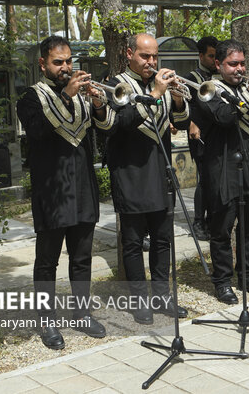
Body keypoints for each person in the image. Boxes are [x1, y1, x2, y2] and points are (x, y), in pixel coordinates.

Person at [17, 35, 107, 349]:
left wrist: (97, 103)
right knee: (47, 262)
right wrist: (67, 96)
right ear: (43, 64)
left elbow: (104, 131)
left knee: (82, 257)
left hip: (83, 186)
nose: (65, 67)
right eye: (58, 62)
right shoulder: (30, 97)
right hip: (52, 189)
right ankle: (46, 322)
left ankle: (81, 314)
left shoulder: (81, 93)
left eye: (69, 61)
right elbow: (38, 132)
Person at [101, 33, 190, 324]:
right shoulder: (114, 85)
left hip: (161, 171)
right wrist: (154, 94)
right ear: (129, 54)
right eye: (144, 56)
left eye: (154, 57)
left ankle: (162, 296)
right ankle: (139, 301)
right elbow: (121, 124)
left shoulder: (161, 84)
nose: (151, 62)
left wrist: (176, 98)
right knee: (133, 242)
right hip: (130, 173)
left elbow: (180, 123)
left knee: (163, 239)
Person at [196, 39, 249, 304]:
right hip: (223, 169)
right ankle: (222, 282)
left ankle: (248, 275)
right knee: (221, 229)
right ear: (219, 64)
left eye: (242, 63)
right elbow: (226, 117)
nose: (239, 69)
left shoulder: (246, 90)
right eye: (233, 64)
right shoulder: (208, 90)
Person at [185, 36, 218, 241]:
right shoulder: (191, 78)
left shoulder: (219, 75)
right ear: (200, 56)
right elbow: (185, 107)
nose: (215, 60)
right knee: (204, 177)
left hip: (217, 133)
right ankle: (199, 221)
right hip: (199, 135)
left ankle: (214, 218)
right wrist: (190, 123)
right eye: (211, 56)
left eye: (217, 56)